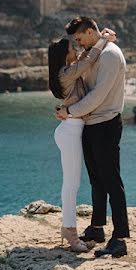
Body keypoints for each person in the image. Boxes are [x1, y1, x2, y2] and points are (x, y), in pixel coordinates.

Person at [56, 16, 130, 258]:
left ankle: (119, 238)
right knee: (96, 180)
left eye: (79, 38)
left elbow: (98, 95)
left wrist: (69, 112)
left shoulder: (110, 54)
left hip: (106, 124)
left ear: (90, 32)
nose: (77, 44)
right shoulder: (94, 53)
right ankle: (97, 228)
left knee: (111, 180)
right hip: (90, 124)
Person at [47, 27, 116, 252]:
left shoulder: (68, 70)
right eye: (72, 47)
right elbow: (89, 59)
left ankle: (69, 229)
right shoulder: (66, 73)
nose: (76, 48)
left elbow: (87, 57)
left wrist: (105, 39)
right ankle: (70, 233)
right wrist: (103, 40)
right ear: (64, 55)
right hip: (70, 131)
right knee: (71, 185)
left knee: (72, 184)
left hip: (71, 129)